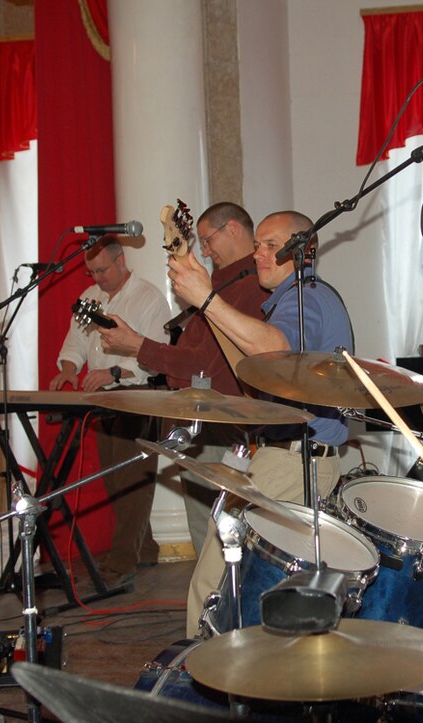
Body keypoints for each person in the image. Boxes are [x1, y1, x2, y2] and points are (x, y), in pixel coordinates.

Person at [170, 210, 354, 637]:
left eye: (273, 246)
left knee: (214, 582)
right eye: (259, 246)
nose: (260, 255)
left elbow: (276, 349)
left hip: (292, 463)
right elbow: (264, 375)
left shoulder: (304, 296)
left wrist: (206, 300)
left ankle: (197, 683)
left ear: (304, 251)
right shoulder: (304, 297)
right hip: (303, 461)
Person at [98, 202, 269, 555]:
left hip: (223, 425)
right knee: (208, 534)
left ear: (233, 229)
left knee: (213, 537)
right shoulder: (221, 286)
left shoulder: (249, 288)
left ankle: (215, 604)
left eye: (207, 241)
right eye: (200, 244)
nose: (204, 250)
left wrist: (136, 345)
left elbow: (204, 366)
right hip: (204, 422)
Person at [48, 237, 171, 588]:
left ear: (121, 261)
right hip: (105, 398)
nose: (98, 277)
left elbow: (156, 354)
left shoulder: (149, 298)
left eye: (102, 270)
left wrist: (115, 371)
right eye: (92, 271)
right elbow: (75, 342)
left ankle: (121, 563)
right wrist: (70, 367)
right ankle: (145, 548)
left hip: (140, 395)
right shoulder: (90, 298)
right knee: (116, 481)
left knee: (133, 480)